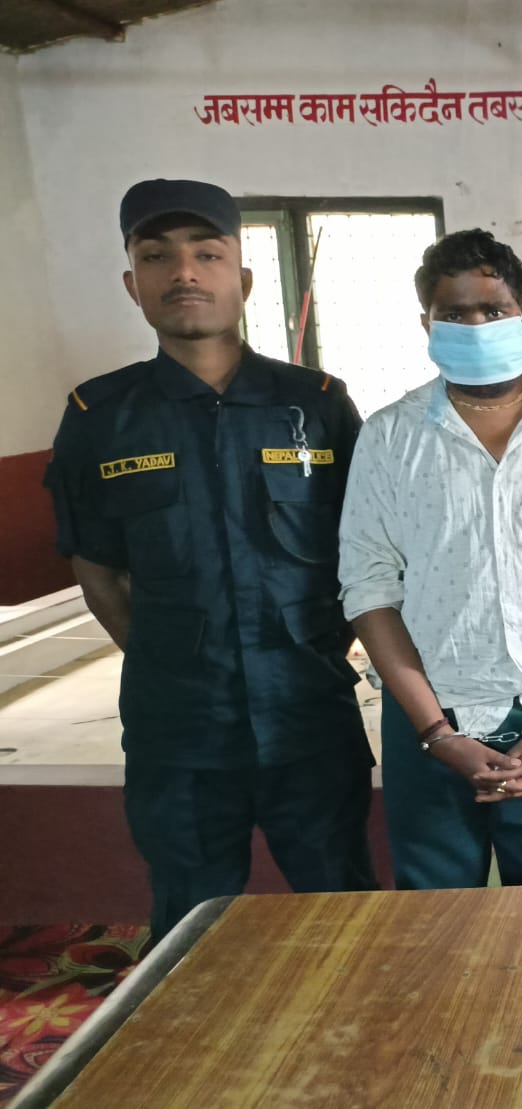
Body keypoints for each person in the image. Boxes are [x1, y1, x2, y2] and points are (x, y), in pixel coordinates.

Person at [45, 178, 375, 945]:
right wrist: (168, 658)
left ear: (243, 278)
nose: (184, 273)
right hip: (179, 732)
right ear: (132, 284)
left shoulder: (317, 403)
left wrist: (319, 649)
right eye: (157, 256)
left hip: (309, 717)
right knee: (189, 929)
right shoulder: (101, 416)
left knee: (344, 914)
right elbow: (98, 568)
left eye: (207, 253)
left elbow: (364, 553)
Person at [339, 229, 522, 890]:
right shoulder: (390, 436)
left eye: (492, 309)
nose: (475, 325)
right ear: (427, 325)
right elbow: (369, 587)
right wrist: (437, 733)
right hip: (431, 720)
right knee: (436, 923)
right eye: (454, 313)